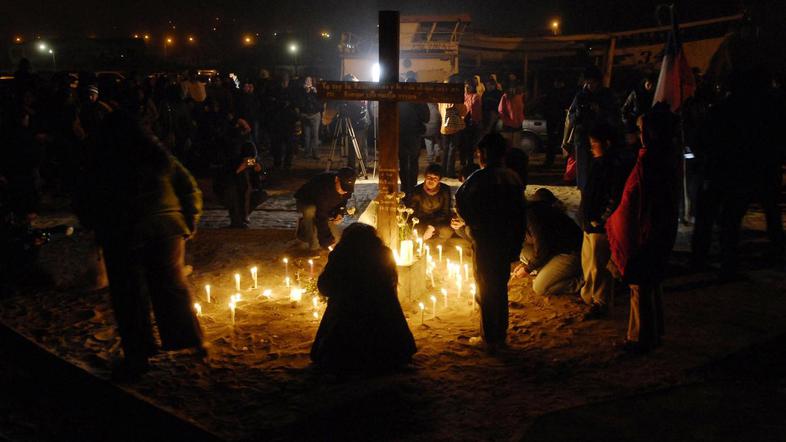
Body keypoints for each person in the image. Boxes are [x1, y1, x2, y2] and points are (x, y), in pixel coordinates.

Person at [78, 111, 205, 380]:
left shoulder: (101, 160)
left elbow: (86, 197)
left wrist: (93, 224)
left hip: (122, 232)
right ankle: (191, 341)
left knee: (129, 294)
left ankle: (138, 355)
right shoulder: (158, 155)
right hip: (167, 230)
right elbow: (189, 187)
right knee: (172, 286)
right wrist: (189, 220)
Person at [607, 104, 680, 353]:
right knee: (652, 281)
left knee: (640, 283)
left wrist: (627, 227)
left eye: (641, 130)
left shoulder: (651, 161)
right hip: (660, 227)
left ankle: (640, 338)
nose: (639, 134)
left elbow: (642, 201)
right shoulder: (664, 155)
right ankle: (654, 332)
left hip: (647, 230)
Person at [453, 133, 526, 350]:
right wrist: (516, 243)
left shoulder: (479, 178)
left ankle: (490, 338)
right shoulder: (513, 178)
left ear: (484, 154)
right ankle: (499, 333)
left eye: (479, 153)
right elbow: (520, 214)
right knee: (499, 287)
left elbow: (461, 202)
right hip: (506, 240)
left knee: (485, 287)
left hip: (485, 240)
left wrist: (473, 224)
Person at [311, 223, 416, 371]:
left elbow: (325, 287)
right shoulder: (384, 254)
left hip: (347, 320)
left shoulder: (341, 255)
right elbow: (391, 284)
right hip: (384, 318)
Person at [578, 122, 631, 319]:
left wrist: (601, 221)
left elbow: (614, 198)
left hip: (599, 226)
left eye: (594, 143)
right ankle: (590, 297)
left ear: (607, 143)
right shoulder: (600, 164)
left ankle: (601, 302)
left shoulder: (612, 166)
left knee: (599, 266)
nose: (591, 148)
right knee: (589, 263)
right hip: (590, 223)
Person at [513, 188, 582, 297]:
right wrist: (526, 265)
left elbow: (543, 248)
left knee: (540, 287)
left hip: (570, 252)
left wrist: (527, 269)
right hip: (553, 249)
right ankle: (547, 272)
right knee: (524, 252)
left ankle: (583, 282)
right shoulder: (525, 213)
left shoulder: (532, 215)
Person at [563, 66, 621, 192]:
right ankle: (584, 192)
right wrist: (577, 114)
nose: (590, 85)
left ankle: (598, 191)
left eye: (592, 82)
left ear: (598, 81)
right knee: (582, 168)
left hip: (600, 137)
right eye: (587, 82)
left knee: (599, 166)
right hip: (582, 136)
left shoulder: (607, 95)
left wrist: (600, 111)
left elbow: (615, 116)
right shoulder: (580, 96)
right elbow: (571, 115)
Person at [294, 167, 356, 251]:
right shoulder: (323, 188)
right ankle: (307, 236)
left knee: (335, 237)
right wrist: (327, 240)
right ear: (336, 179)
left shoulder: (346, 189)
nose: (344, 191)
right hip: (306, 201)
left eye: (347, 189)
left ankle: (308, 230)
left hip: (324, 206)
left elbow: (343, 201)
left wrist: (339, 213)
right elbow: (321, 216)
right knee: (311, 212)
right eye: (342, 187)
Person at [398, 76, 430, 196]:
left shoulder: (400, 98)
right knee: (413, 161)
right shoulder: (419, 99)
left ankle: (404, 187)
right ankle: (413, 187)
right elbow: (426, 118)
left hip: (401, 134)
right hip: (414, 135)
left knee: (403, 162)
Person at [407, 164, 453, 241]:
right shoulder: (417, 191)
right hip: (422, 220)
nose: (431, 180)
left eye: (435, 178)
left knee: (446, 231)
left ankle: (436, 239)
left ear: (439, 180)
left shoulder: (445, 190)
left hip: (438, 221)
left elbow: (445, 212)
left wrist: (431, 226)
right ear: (425, 177)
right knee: (415, 231)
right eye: (429, 177)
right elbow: (413, 212)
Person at [299, 76, 323, 160]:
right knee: (306, 135)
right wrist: (306, 92)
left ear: (312, 82)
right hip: (305, 115)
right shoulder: (301, 91)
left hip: (315, 114)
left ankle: (315, 153)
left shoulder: (315, 91)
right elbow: (300, 103)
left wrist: (315, 93)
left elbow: (320, 102)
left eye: (309, 80)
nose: (308, 82)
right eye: (306, 80)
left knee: (315, 135)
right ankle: (307, 153)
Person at [498, 82, 525, 149]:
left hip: (517, 124)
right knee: (508, 145)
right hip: (508, 125)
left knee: (516, 145)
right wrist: (506, 120)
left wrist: (520, 119)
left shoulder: (520, 96)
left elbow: (522, 109)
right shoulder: (505, 96)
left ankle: (515, 155)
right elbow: (501, 110)